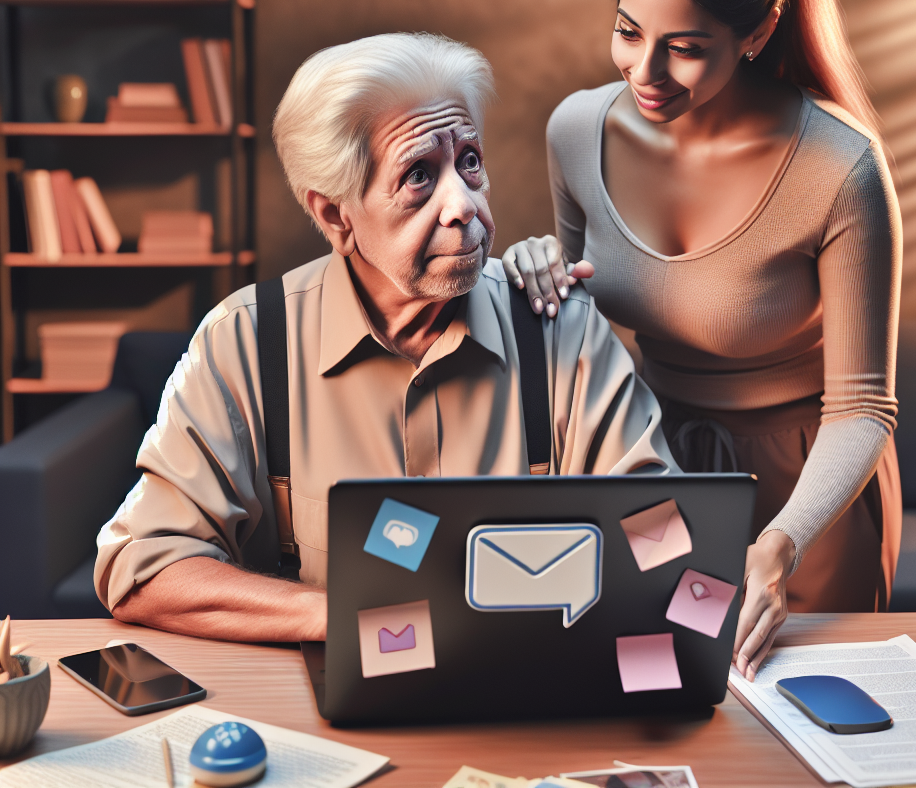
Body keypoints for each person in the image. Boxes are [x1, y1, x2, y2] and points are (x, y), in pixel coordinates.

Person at [95, 32, 675, 643]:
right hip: (322, 714)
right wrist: (350, 616)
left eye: (469, 160)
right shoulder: (241, 342)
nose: (463, 204)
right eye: (419, 175)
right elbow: (143, 568)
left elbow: (661, 541)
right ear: (335, 216)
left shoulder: (562, 327)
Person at [502, 0, 902, 680]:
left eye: (685, 49)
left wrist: (778, 545)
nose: (644, 72)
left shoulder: (840, 165)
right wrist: (534, 271)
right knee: (662, 711)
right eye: (626, 31)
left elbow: (863, 406)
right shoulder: (577, 131)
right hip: (652, 468)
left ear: (756, 32)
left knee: (797, 728)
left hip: (806, 496)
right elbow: (580, 328)